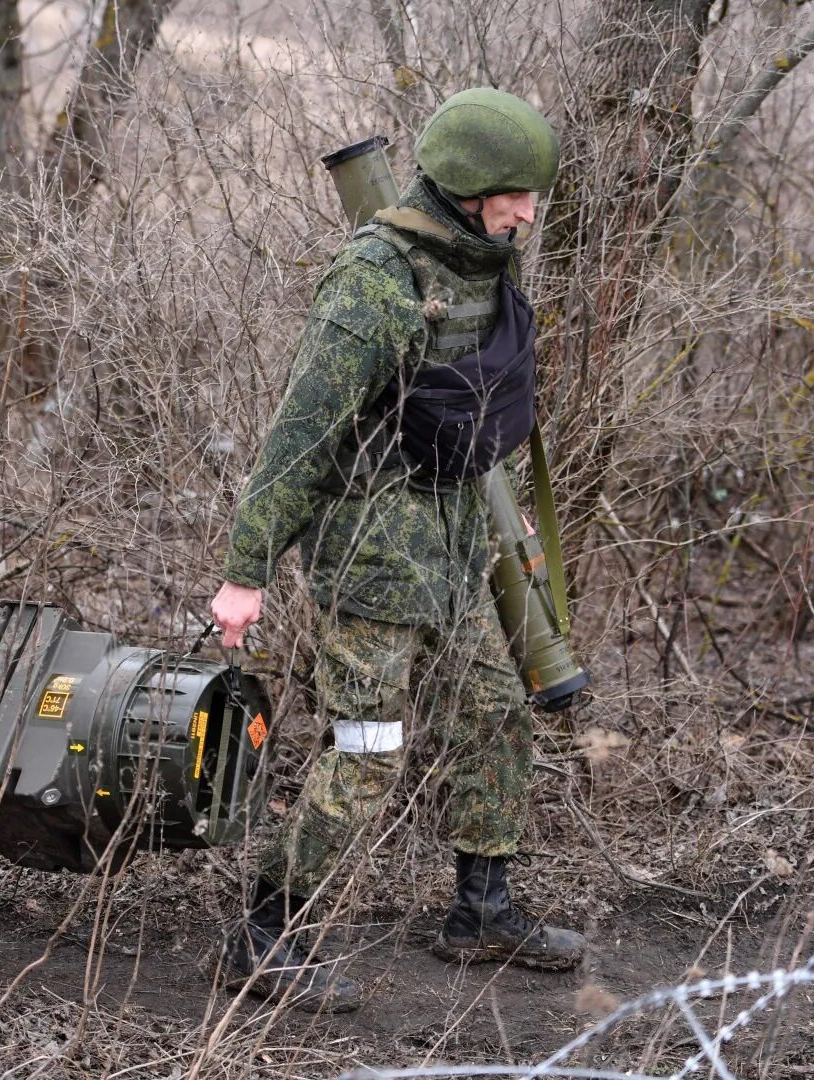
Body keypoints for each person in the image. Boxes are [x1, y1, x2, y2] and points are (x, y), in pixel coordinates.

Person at [211, 88, 586, 1012]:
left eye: (533, 195)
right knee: (369, 750)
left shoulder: (482, 266)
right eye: (515, 194)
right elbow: (298, 436)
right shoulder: (373, 282)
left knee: (498, 712)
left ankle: (481, 910)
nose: (530, 212)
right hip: (375, 566)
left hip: (456, 560)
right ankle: (266, 934)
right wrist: (246, 571)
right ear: (466, 188)